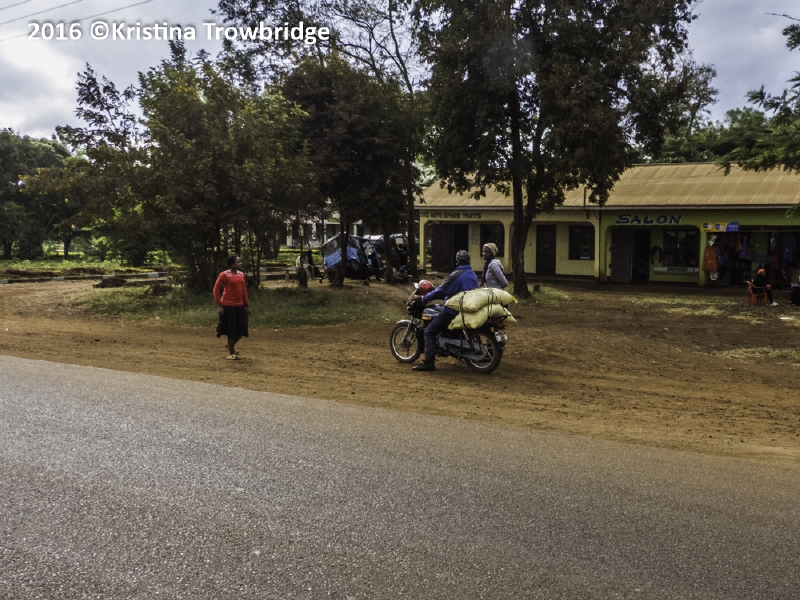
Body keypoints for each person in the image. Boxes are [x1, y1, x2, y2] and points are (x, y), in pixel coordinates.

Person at [412, 250, 479, 372]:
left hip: (454, 310)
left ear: (457, 261)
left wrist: (424, 298)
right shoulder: (473, 275)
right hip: (467, 308)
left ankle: (428, 362)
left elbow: (442, 290)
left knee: (429, 331)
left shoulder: (457, 275)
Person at [213, 255, 251, 359]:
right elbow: (216, 289)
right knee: (231, 329)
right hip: (228, 306)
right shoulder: (224, 275)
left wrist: (247, 305)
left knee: (243, 328)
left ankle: (230, 345)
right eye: (238, 262)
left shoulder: (241, 274)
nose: (240, 263)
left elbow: (244, 291)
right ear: (232, 264)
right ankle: (232, 353)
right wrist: (220, 305)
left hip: (240, 305)